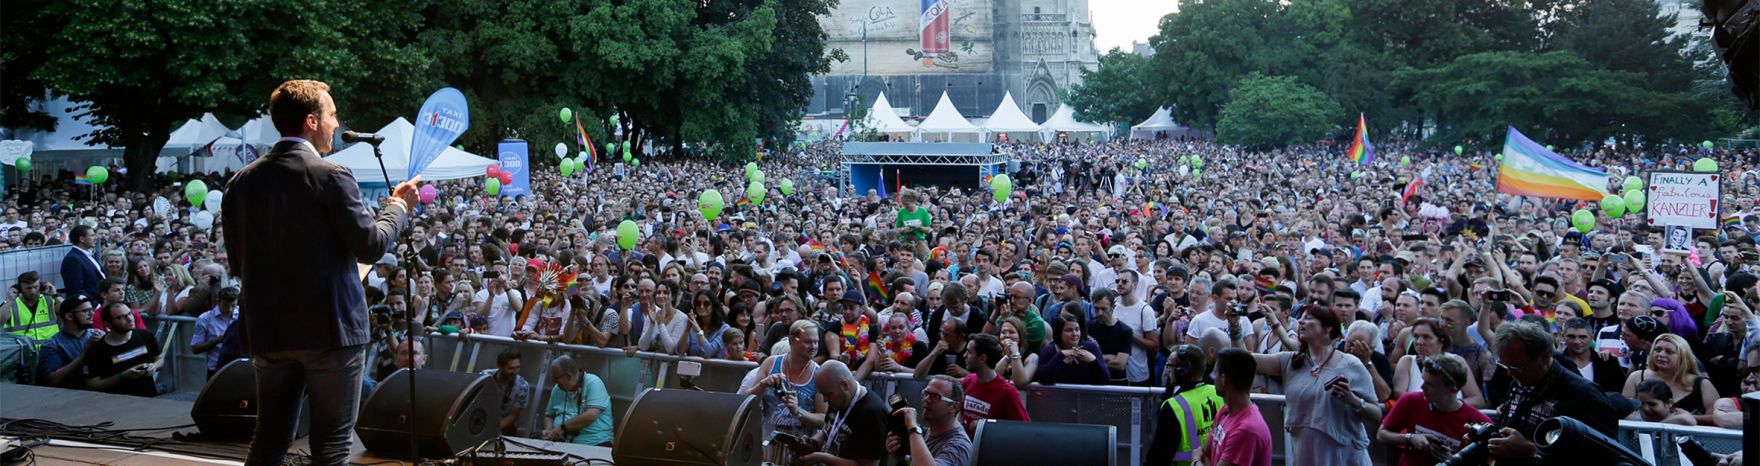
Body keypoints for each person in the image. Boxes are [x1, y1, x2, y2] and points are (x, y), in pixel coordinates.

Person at [221, 79, 420, 466]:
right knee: (330, 447)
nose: (336, 121)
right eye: (330, 114)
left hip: (270, 330)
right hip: (329, 331)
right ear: (311, 121)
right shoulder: (331, 174)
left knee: (269, 439)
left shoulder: (240, 182)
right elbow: (370, 245)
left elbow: (237, 262)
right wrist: (397, 207)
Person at [1249, 305, 1380, 465]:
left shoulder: (1351, 365)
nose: (1301, 322)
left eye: (1308, 318)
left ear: (1327, 328)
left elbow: (1376, 414)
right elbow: (1245, 360)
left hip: (1345, 457)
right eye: (1301, 318)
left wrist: (1353, 400)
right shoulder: (1290, 361)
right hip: (1306, 456)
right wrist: (1235, 328)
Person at [1484, 321, 1619, 466]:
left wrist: (1533, 452)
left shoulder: (1584, 395)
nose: (1510, 373)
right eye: (1505, 366)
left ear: (1545, 357)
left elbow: (1608, 456)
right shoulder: (1519, 382)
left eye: (1517, 366)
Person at [1376, 353, 1493, 466]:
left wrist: (1452, 460)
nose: (1422, 387)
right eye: (1423, 380)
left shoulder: (1478, 422)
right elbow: (1381, 434)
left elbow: (1488, 461)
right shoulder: (1411, 400)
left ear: (1453, 389)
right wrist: (1410, 438)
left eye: (1430, 384)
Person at [739, 319, 827, 463]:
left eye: (816, 342)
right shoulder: (771, 363)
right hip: (767, 444)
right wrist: (762, 385)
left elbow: (824, 419)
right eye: (808, 342)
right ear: (793, 340)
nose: (813, 347)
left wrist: (799, 412)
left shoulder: (819, 374)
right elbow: (746, 402)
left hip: (797, 451)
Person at [1143, 345, 1222, 466]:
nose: (1167, 370)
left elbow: (1157, 458)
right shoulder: (1217, 392)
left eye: (1170, 366)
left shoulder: (1173, 407)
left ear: (1182, 372)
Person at [800, 360, 888, 466]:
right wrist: (811, 443)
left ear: (845, 385)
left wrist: (822, 458)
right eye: (823, 394)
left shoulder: (872, 414)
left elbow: (869, 465)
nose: (825, 400)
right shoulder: (840, 398)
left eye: (828, 394)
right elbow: (828, 429)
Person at [1620, 333, 1720, 425]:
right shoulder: (1636, 377)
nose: (1661, 354)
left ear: (1683, 356)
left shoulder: (1702, 384)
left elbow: (1716, 417)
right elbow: (1623, 411)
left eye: (1669, 352)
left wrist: (1687, 418)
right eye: (1657, 350)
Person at [1198, 348, 1273, 466]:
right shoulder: (1225, 411)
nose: (1213, 378)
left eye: (1215, 373)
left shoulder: (1246, 430)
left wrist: (1195, 461)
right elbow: (1205, 453)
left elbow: (1199, 455)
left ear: (1223, 379)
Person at [884, 374, 971, 466]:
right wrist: (902, 457)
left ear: (954, 407)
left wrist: (913, 427)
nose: (926, 399)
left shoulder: (959, 447)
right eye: (926, 393)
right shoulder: (927, 433)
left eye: (935, 396)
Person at [83, 302, 161, 397]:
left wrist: (154, 366)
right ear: (108, 324)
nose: (129, 319)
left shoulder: (146, 335)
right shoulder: (96, 350)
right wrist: (122, 376)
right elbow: (91, 384)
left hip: (149, 398)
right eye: (120, 317)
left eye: (129, 314)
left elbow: (159, 359)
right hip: (117, 404)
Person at [541, 355, 613, 446]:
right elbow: (549, 416)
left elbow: (591, 414)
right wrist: (549, 430)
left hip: (595, 442)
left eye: (556, 378)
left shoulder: (593, 382)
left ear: (568, 376)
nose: (553, 380)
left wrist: (562, 428)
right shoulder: (557, 388)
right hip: (561, 442)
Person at [960, 334, 1030, 426]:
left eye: (969, 352)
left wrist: (986, 427)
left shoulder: (1008, 393)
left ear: (982, 358)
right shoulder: (967, 382)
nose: (964, 355)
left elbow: (1023, 428)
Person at [36, 295, 99, 388]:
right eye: (85, 311)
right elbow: (52, 380)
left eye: (92, 309)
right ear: (69, 316)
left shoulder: (98, 335)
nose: (92, 314)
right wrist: (84, 355)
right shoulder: (53, 345)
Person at [1033, 315, 1111, 385]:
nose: (1075, 334)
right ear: (1058, 333)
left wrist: (1092, 360)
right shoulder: (1049, 351)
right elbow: (1043, 380)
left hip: (1086, 397)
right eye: (1069, 330)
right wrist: (1060, 355)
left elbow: (1105, 380)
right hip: (1058, 398)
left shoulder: (1091, 347)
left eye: (1077, 329)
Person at [190, 286, 240, 379]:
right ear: (218, 301)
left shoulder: (242, 315)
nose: (229, 309)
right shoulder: (205, 319)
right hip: (216, 369)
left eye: (233, 305)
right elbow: (195, 349)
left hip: (239, 368)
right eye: (225, 305)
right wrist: (217, 340)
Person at [482, 348, 530, 436]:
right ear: (500, 366)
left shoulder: (523, 386)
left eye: (518, 367)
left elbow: (513, 416)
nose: (515, 372)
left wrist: (492, 430)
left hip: (505, 425)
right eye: (511, 368)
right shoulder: (484, 377)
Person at [2, 271, 57, 346]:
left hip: (50, 351)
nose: (33, 291)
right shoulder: (12, 304)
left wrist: (56, 295)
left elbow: (68, 312)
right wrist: (10, 300)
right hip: (23, 353)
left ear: (41, 286)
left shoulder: (49, 300)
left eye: (36, 287)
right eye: (28, 288)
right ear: (19, 289)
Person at [60, 224, 104, 299]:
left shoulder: (87, 254)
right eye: (92, 235)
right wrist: (95, 305)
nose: (96, 238)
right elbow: (75, 290)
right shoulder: (72, 259)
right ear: (82, 239)